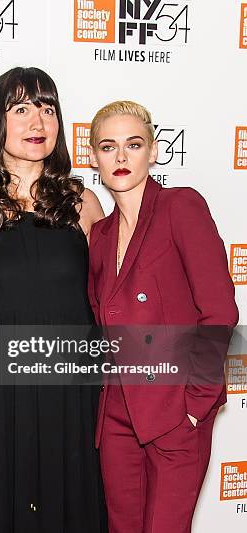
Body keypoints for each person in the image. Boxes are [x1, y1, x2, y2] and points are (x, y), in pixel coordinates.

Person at [0, 67, 107, 532]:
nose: (36, 121)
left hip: (69, 382)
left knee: (71, 498)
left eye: (47, 108)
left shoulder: (82, 203)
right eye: (20, 109)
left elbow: (108, 298)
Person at [87, 100, 238, 533]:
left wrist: (194, 405)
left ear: (153, 151)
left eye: (133, 144)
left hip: (174, 412)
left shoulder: (180, 207)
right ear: (94, 157)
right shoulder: (100, 234)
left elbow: (219, 310)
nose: (120, 157)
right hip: (117, 416)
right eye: (108, 146)